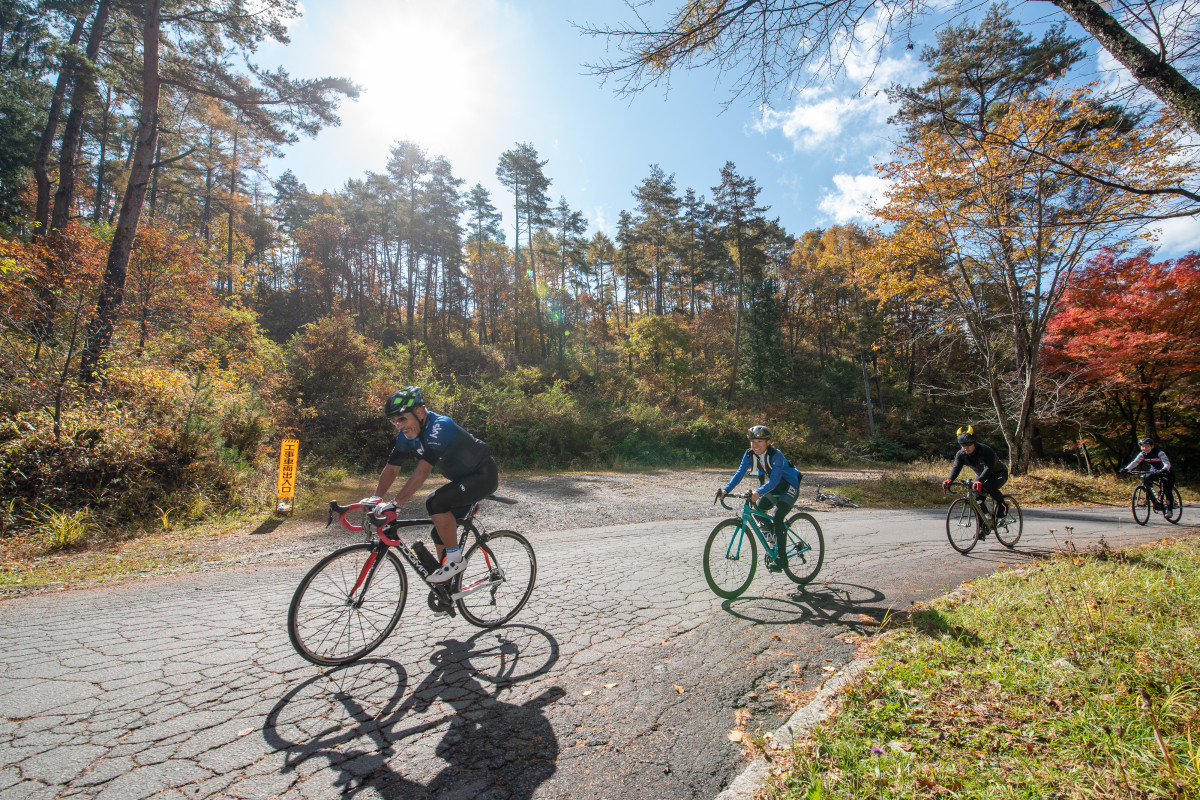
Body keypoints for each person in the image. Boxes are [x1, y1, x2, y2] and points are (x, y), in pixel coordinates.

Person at [363, 386, 498, 583]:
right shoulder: (406, 434)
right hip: (462, 481)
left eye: (402, 419)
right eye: (394, 421)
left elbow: (423, 470)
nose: (399, 426)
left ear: (419, 412)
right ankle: (448, 587)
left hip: (483, 475)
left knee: (435, 502)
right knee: (439, 532)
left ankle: (455, 560)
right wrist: (377, 497)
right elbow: (392, 468)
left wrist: (396, 503)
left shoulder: (439, 426)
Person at [715, 425, 803, 567]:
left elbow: (774, 480)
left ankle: (782, 559)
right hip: (775, 487)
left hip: (789, 486)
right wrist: (725, 490)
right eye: (752, 441)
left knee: (777, 517)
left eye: (759, 442)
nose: (755, 445)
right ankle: (775, 540)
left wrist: (759, 492)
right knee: (758, 510)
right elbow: (740, 473)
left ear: (768, 442)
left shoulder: (776, 455)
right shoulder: (750, 454)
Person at [941, 426, 1009, 533]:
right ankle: (984, 524)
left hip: (998, 473)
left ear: (974, 443)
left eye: (968, 445)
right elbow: (956, 467)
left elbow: (989, 467)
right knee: (976, 497)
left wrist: (980, 480)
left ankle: (1003, 507)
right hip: (981, 474)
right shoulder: (961, 454)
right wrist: (949, 480)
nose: (965, 447)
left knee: (988, 486)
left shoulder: (985, 451)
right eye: (963, 445)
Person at [1121, 437, 1175, 512]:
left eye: (1147, 446)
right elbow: (1135, 462)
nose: (1144, 448)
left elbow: (1167, 463)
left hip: (1167, 472)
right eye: (1142, 446)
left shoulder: (1159, 453)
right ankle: (1152, 498)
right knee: (1145, 478)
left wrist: (1164, 469)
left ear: (1152, 446)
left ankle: (1169, 510)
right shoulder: (1142, 454)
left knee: (1167, 490)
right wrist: (1127, 469)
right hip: (1154, 471)